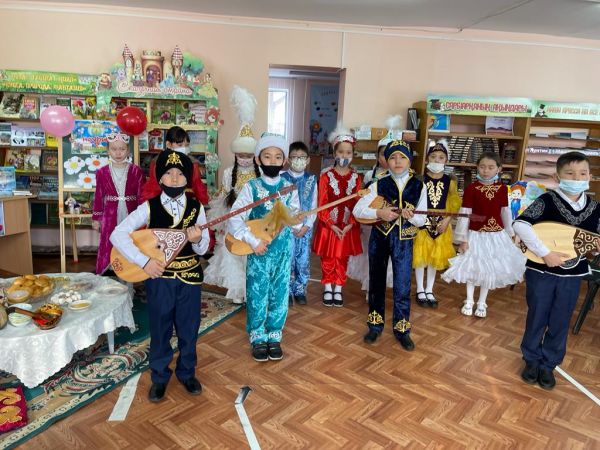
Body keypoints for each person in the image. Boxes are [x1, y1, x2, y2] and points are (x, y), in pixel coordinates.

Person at [110, 150, 209, 402]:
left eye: (180, 174)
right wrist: (144, 262)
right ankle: (160, 376)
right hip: (160, 278)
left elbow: (203, 249)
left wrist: (197, 239)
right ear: (160, 178)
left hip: (190, 278)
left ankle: (187, 372)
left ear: (187, 178)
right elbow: (117, 234)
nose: (174, 178)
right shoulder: (149, 207)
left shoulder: (196, 207)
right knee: (160, 327)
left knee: (189, 328)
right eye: (168, 173)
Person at [514, 151, 600, 390]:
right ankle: (531, 360)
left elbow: (593, 240)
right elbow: (520, 225)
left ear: (590, 176)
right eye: (570, 173)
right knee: (537, 315)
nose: (577, 178)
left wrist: (595, 246)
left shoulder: (595, 208)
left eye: (582, 173)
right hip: (541, 271)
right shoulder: (547, 200)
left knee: (561, 319)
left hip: (572, 275)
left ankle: (548, 364)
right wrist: (545, 253)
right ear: (557, 176)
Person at [227, 133, 301, 362]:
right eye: (267, 156)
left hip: (283, 250)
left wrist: (298, 222)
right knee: (257, 291)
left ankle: (274, 334)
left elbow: (295, 217)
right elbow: (235, 218)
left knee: (280, 291)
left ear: (284, 161)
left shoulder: (290, 188)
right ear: (258, 159)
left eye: (278, 157)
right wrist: (253, 241)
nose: (272, 161)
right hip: (259, 250)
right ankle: (257, 335)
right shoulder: (251, 187)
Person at [353, 140, 427, 351]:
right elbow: (358, 211)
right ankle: (375, 325)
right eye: (393, 157)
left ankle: (402, 329)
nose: (397, 161)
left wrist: (412, 217)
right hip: (380, 238)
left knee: (402, 285)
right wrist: (379, 213)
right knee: (376, 282)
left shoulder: (419, 186)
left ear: (409, 161)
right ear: (386, 160)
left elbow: (422, 219)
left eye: (402, 157)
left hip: (404, 241)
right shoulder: (377, 184)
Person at [442, 151, 526, 318]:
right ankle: (469, 300)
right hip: (475, 234)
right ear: (477, 167)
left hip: (496, 236)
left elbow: (505, 212)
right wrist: (462, 238)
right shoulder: (471, 189)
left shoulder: (502, 189)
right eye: (482, 167)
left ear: (499, 169)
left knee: (489, 269)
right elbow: (465, 213)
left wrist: (510, 232)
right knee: (473, 268)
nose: (486, 170)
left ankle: (482, 302)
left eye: (490, 167)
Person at [204, 85, 260, 304]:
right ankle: (237, 292)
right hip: (233, 222)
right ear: (235, 155)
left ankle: (251, 290)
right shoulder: (228, 173)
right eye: (241, 156)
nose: (244, 159)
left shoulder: (260, 174)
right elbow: (222, 197)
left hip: (254, 221)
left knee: (251, 257)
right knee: (234, 255)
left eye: (248, 155)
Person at [312, 124, 362, 307]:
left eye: (348, 153)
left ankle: (339, 288)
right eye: (341, 152)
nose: (344, 156)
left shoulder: (357, 178)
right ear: (334, 153)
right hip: (329, 226)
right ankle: (327, 287)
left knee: (342, 258)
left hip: (347, 226)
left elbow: (358, 204)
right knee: (328, 258)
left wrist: (351, 223)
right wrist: (330, 224)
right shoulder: (326, 177)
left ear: (353, 155)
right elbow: (322, 204)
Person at [413, 139, 461, 308]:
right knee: (421, 256)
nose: (437, 160)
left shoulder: (450, 181)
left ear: (446, 160)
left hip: (442, 223)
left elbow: (454, 202)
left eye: (441, 157)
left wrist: (447, 220)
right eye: (433, 157)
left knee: (435, 257)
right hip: (422, 222)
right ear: (427, 159)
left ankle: (429, 289)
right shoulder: (419, 179)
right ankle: (420, 289)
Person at [92, 132, 144, 275]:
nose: (118, 152)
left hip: (131, 214)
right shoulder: (102, 172)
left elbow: (141, 196)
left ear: (128, 150)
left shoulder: (136, 171)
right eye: (114, 149)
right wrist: (96, 218)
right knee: (109, 242)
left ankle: (129, 277)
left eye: (122, 149)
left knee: (130, 242)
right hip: (110, 215)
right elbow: (99, 196)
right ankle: (109, 275)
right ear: (108, 150)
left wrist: (144, 218)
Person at [347, 135, 393, 293]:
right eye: (383, 154)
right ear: (377, 156)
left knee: (385, 256)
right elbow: (362, 199)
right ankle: (369, 286)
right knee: (369, 254)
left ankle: (379, 286)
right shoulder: (369, 175)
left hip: (388, 222)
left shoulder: (397, 177)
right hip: (370, 221)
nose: (386, 158)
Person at [281, 141, 318, 305]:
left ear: (308, 160)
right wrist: (288, 225)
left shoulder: (311, 179)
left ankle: (300, 290)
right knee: (286, 259)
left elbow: (314, 205)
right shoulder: (282, 178)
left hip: (305, 228)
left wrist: (307, 225)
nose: (298, 160)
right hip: (285, 228)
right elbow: (279, 206)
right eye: (294, 157)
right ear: (288, 159)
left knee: (302, 261)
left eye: (302, 157)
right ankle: (286, 290)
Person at [141, 126, 209, 204]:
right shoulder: (158, 161)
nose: (184, 148)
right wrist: (152, 205)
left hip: (186, 201)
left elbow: (197, 185)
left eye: (187, 145)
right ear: (168, 144)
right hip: (162, 201)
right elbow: (153, 186)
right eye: (180, 145)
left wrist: (203, 202)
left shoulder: (192, 162)